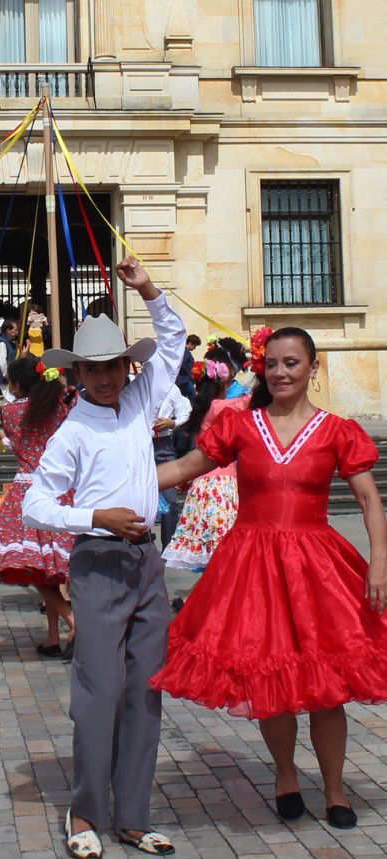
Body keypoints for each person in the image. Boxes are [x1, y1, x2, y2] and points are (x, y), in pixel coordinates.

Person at [152, 326, 387, 830]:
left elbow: (369, 499)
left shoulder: (338, 431)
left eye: (291, 363)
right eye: (273, 364)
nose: (280, 372)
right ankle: (285, 776)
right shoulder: (241, 426)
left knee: (328, 687)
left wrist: (380, 562)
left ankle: (335, 787)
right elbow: (189, 465)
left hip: (317, 569)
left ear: (312, 368)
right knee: (270, 676)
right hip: (252, 566)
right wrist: (117, 480)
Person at [21, 257, 185, 859]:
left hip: (147, 563)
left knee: (144, 689)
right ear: (78, 375)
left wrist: (147, 289)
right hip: (96, 562)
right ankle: (87, 808)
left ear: (126, 365)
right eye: (92, 369)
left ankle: (133, 815)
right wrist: (94, 517)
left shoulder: (142, 401)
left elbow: (173, 342)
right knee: (101, 688)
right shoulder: (73, 430)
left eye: (113, 366)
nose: (105, 378)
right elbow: (35, 504)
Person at [0, 355, 77, 657]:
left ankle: (71, 622)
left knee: (40, 570)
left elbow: (12, 434)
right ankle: (53, 635)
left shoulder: (8, 412)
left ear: (17, 383)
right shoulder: (62, 406)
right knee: (53, 567)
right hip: (62, 490)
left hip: (27, 492)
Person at [162, 351, 245, 578]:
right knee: (226, 551)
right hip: (223, 483)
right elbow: (249, 402)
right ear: (223, 385)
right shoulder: (221, 408)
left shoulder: (198, 410)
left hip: (201, 484)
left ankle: (199, 598)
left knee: (210, 550)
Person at [153, 381, 192, 550]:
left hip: (164, 446)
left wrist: (172, 423)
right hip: (139, 445)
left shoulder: (171, 388)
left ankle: (168, 546)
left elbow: (186, 412)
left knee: (170, 501)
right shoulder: (134, 383)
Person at [175, 334, 201, 401]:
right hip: (185, 381)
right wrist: (190, 373)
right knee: (193, 398)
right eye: (195, 346)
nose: (195, 348)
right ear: (190, 343)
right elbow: (182, 364)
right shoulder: (186, 352)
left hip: (182, 380)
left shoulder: (183, 351)